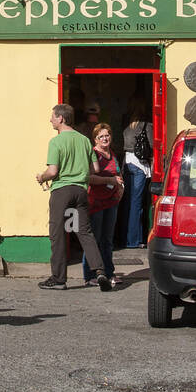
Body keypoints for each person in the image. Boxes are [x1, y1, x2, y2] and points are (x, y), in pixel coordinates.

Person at [36, 104, 110, 290]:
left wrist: (41, 177)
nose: (50, 120)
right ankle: (100, 271)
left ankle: (59, 279)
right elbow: (96, 169)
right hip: (80, 191)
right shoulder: (84, 140)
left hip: (62, 191)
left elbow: (53, 171)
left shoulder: (56, 142)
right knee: (85, 232)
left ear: (61, 118)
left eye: (52, 116)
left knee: (58, 234)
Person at [82, 123, 124, 286]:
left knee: (107, 240)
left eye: (107, 135)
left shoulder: (112, 154)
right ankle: (89, 275)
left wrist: (120, 187)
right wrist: (109, 180)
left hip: (111, 202)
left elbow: (118, 173)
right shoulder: (93, 154)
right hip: (96, 203)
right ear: (95, 139)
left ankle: (109, 272)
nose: (105, 138)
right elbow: (89, 177)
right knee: (94, 239)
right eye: (101, 136)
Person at [121, 103, 153, 248]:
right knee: (137, 204)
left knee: (127, 202)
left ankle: (124, 237)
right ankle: (134, 240)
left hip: (127, 163)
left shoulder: (127, 127)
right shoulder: (147, 125)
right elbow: (152, 145)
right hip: (140, 165)